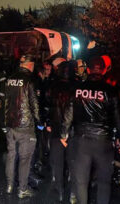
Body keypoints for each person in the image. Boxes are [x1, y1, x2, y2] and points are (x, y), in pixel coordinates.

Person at [62, 57, 120, 204]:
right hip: (103, 143)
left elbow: (68, 113)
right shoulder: (111, 91)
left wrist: (63, 133)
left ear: (89, 70)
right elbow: (119, 119)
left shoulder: (77, 89)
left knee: (81, 181)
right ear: (104, 70)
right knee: (104, 182)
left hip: (81, 141)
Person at [5, 54, 41, 198]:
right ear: (30, 64)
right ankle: (22, 189)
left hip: (11, 124)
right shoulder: (30, 81)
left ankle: (9, 185)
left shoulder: (10, 79)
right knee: (25, 159)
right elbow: (34, 105)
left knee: (11, 156)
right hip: (25, 126)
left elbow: (6, 101)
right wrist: (39, 123)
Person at [46, 61, 74, 202]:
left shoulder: (53, 87)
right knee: (71, 159)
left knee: (57, 161)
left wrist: (47, 123)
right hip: (71, 130)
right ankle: (71, 187)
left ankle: (59, 187)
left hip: (56, 128)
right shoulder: (76, 88)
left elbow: (48, 106)